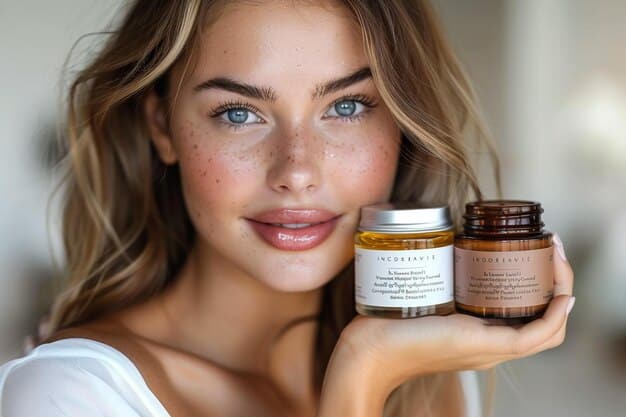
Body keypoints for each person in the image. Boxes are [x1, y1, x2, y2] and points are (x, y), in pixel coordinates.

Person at [0, 1, 575, 416]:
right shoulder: (72, 396)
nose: (297, 172)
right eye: (238, 113)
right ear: (162, 127)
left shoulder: (430, 373)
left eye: (347, 106)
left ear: (403, 122)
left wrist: (378, 359)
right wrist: (363, 375)